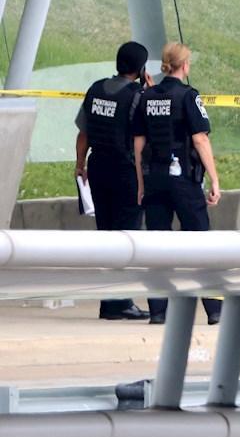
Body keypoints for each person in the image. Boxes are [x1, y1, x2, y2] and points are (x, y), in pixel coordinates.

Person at [133, 43, 222, 326]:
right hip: (183, 179)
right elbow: (200, 139)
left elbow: (138, 145)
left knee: (158, 247)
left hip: (154, 179)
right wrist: (215, 179)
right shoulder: (188, 96)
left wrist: (140, 183)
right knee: (202, 245)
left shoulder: (146, 97)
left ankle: (158, 310)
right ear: (185, 66)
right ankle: (213, 310)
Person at [75, 42, 151, 321]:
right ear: (141, 68)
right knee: (127, 236)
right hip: (126, 171)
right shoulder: (137, 96)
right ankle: (121, 301)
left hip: (98, 167)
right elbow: (141, 139)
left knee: (106, 234)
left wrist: (80, 163)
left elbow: (83, 133)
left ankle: (109, 303)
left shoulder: (96, 89)